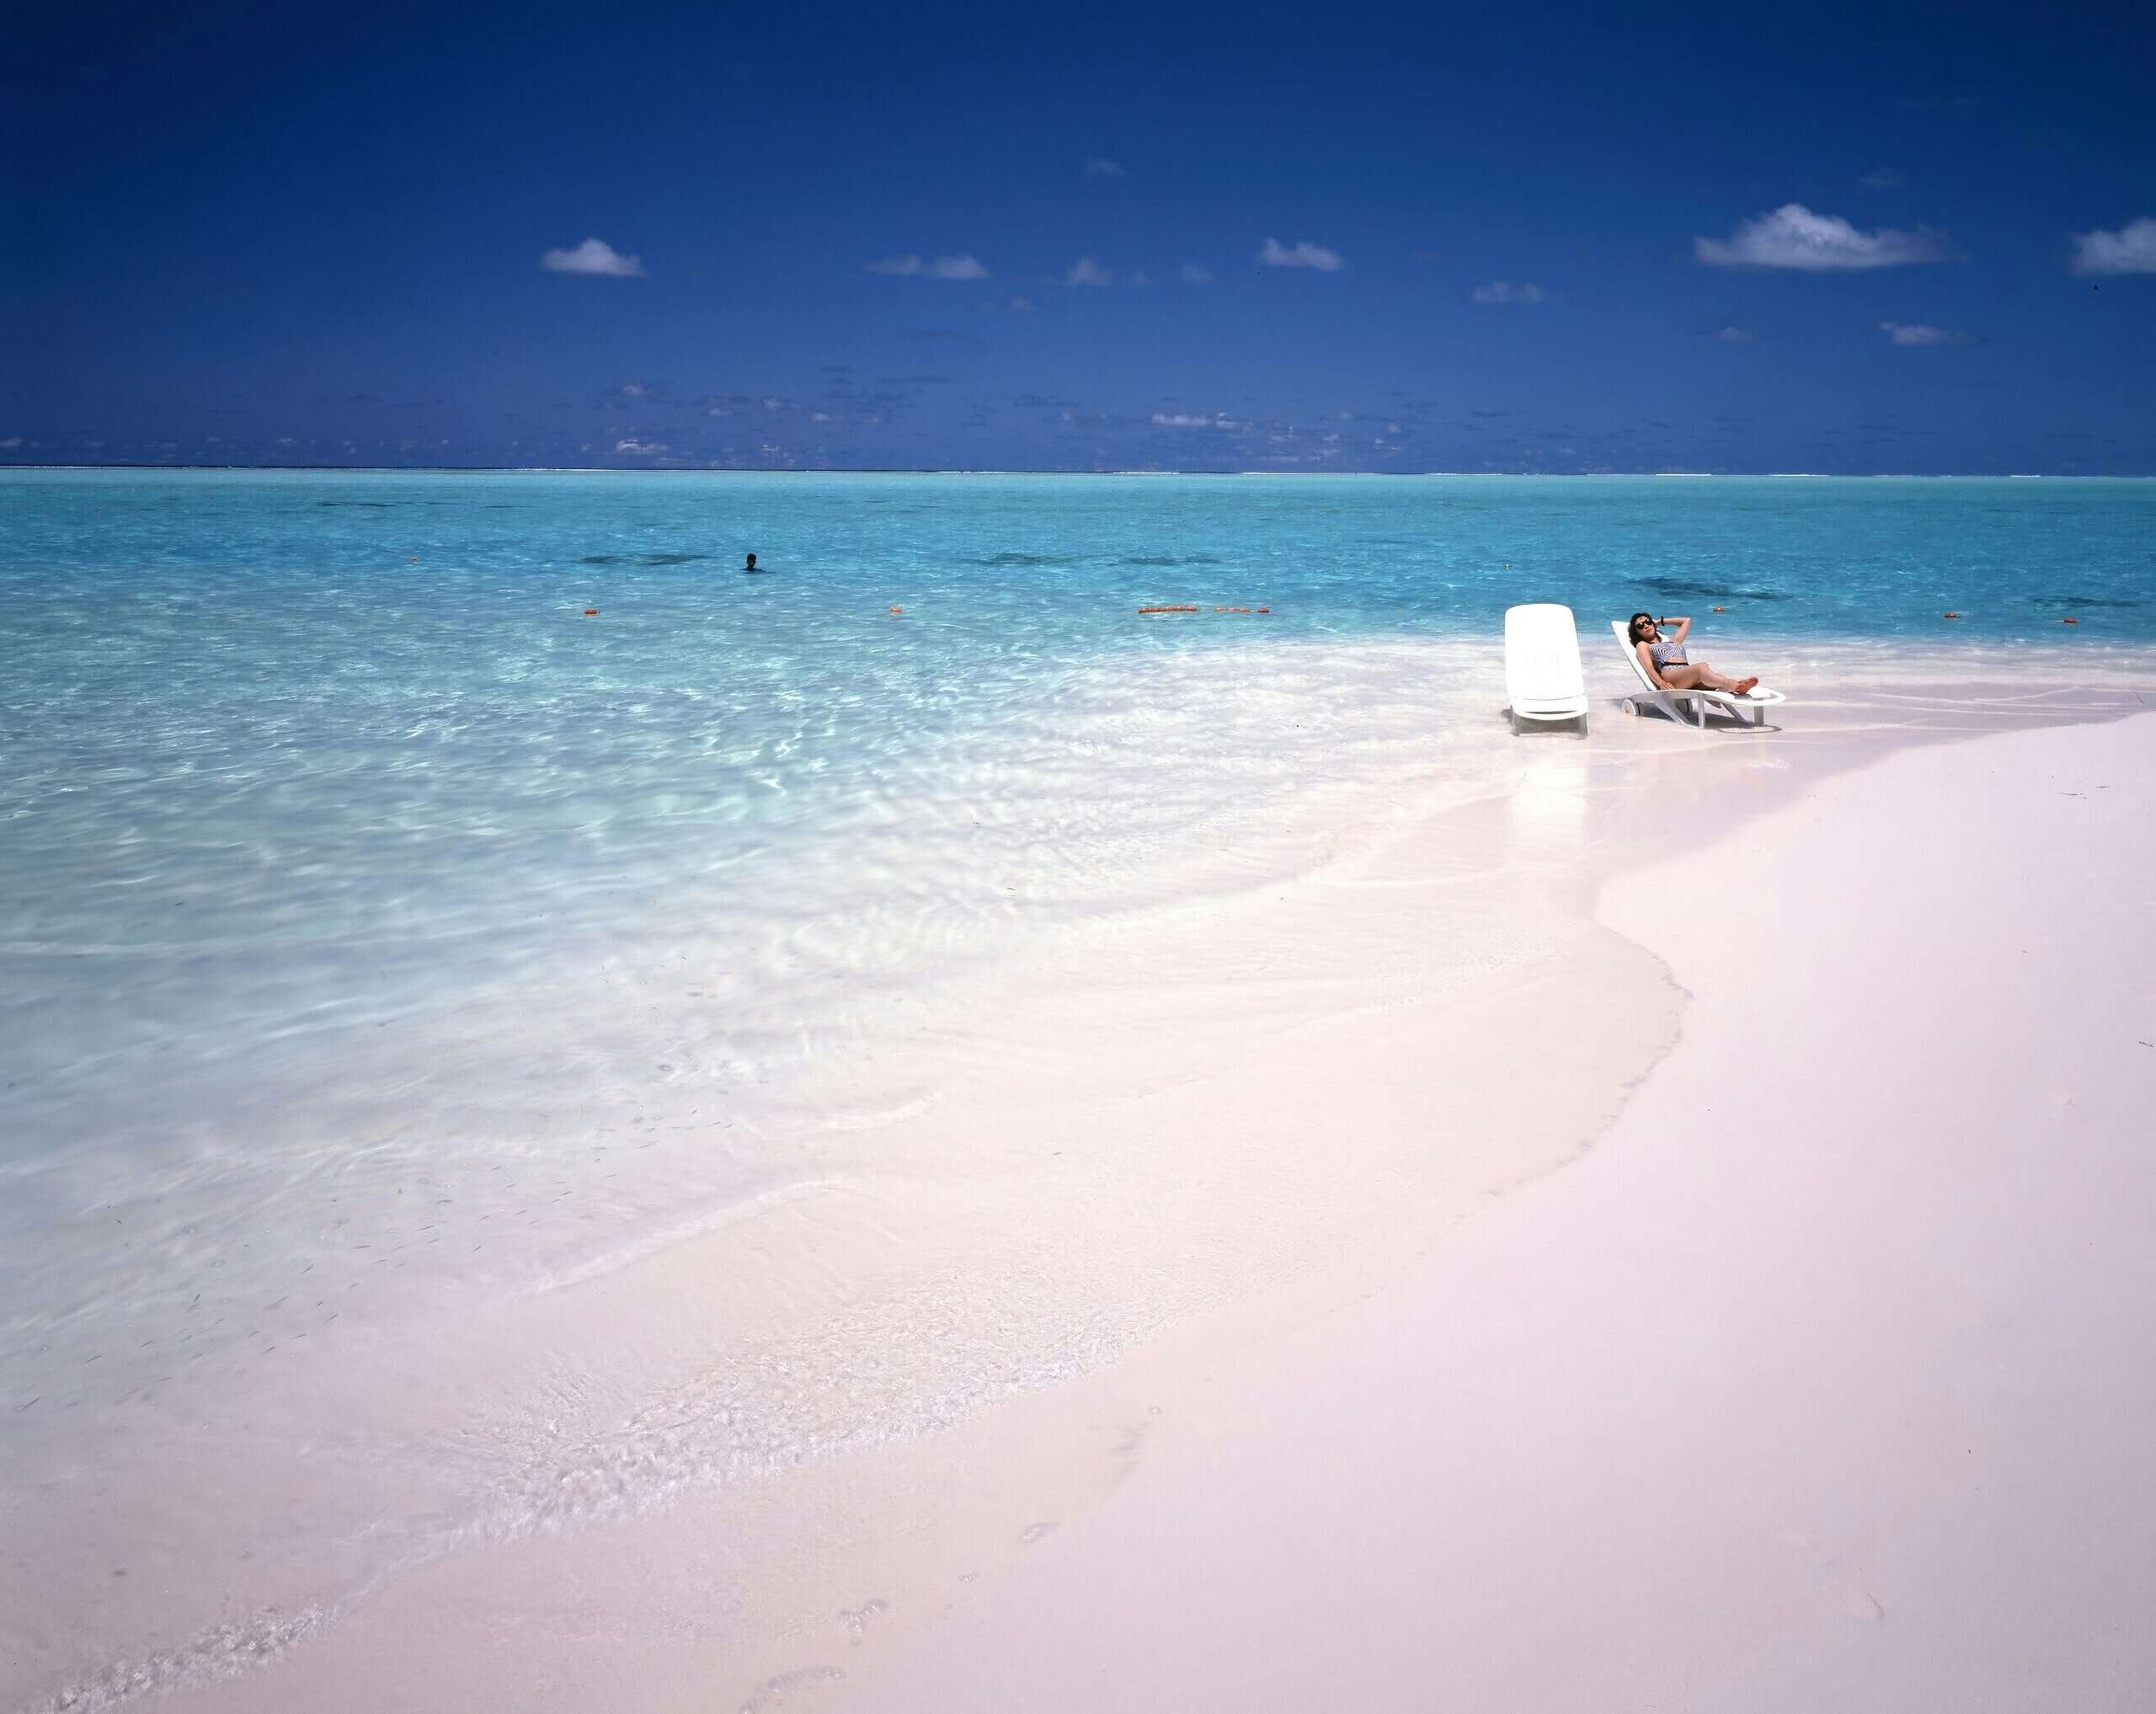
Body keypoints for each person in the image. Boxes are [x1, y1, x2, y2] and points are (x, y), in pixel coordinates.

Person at [1627, 611, 1758, 696]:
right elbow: (1649, 668)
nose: (1645, 626)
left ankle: (1739, 686)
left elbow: (1686, 621)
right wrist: (1661, 683)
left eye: (1648, 622)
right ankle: (1735, 685)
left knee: (1714, 681)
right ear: (1637, 632)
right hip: (1671, 677)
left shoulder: (1673, 641)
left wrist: (1659, 621)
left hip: (1687, 675)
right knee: (1701, 667)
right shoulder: (1643, 645)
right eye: (1640, 626)